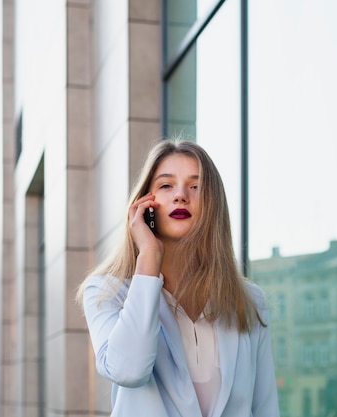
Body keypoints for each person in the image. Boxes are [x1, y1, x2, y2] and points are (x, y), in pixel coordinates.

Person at [77, 138, 280, 417]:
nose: (181, 195)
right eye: (166, 185)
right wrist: (148, 255)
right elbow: (129, 370)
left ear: (213, 204)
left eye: (196, 187)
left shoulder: (249, 300)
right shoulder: (106, 292)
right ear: (145, 203)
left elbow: (265, 406)